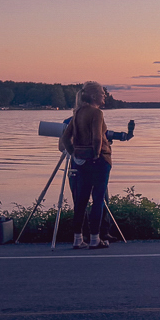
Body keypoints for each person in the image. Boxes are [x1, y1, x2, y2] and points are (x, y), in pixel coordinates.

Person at [60, 81, 112, 250]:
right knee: (98, 199)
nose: (105, 97)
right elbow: (97, 137)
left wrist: (74, 153)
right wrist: (96, 155)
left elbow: (65, 138)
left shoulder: (78, 112)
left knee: (81, 201)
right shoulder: (96, 113)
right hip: (99, 161)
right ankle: (95, 239)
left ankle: (78, 239)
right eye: (103, 94)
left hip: (81, 161)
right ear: (94, 96)